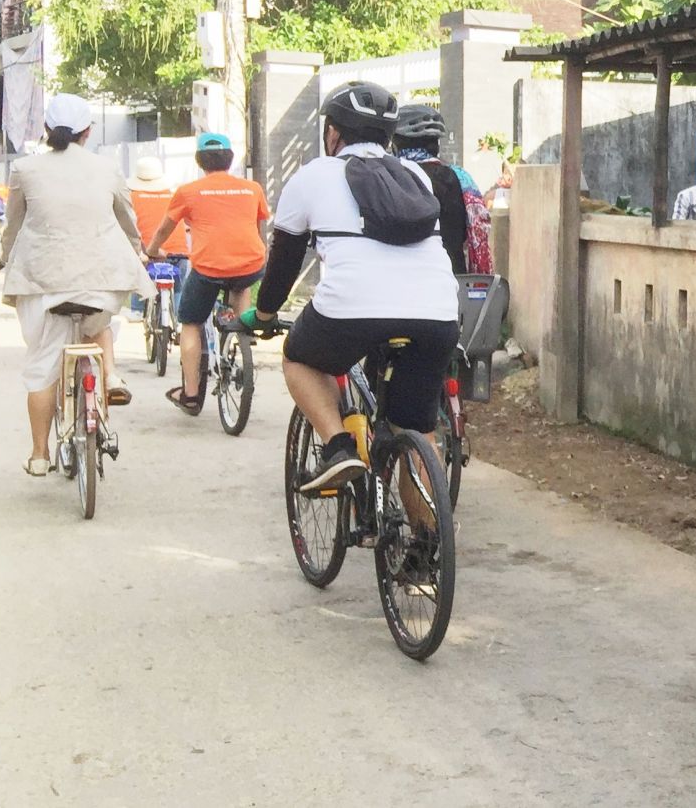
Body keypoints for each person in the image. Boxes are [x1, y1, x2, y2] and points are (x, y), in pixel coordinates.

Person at [240, 81, 458, 509]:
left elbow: (284, 263)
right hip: (437, 313)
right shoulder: (414, 176)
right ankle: (422, 557)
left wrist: (264, 316)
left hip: (351, 310)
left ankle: (338, 446)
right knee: (417, 434)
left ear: (333, 133)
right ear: (388, 137)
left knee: (298, 358)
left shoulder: (312, 176)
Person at [0, 94, 150, 477]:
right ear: (88, 132)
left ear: (46, 130)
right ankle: (107, 378)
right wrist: (136, 252)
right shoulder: (106, 168)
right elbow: (127, 221)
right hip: (103, 280)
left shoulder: (25, 169)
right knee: (99, 325)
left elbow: (14, 225)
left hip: (42, 283)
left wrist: (5, 256)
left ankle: (38, 454)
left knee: (43, 367)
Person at [145, 133, 269, 413]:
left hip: (208, 268)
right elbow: (257, 226)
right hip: (251, 263)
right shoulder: (252, 188)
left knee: (190, 323)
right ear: (230, 159)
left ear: (200, 161)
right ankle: (241, 336)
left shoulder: (188, 191)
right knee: (242, 282)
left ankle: (189, 394)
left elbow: (166, 227)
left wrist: (153, 249)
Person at [389, 104, 470, 276]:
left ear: (396, 144)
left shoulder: (394, 177)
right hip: (456, 281)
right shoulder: (460, 178)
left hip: (408, 283)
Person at [126, 156, 189, 319]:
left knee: (139, 282)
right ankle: (177, 320)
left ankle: (137, 311)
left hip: (147, 257)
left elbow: (128, 229)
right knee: (179, 290)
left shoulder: (131, 198)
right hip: (178, 255)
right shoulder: (173, 196)